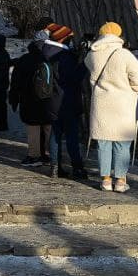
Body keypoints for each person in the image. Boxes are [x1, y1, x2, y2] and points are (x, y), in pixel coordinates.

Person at [85, 22, 138, 192]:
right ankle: (120, 181)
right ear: (118, 35)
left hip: (101, 104)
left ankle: (105, 180)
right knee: (122, 144)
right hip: (123, 104)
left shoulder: (92, 55)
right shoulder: (124, 55)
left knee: (103, 143)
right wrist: (137, 89)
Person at [9, 30, 56, 165]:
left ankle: (33, 155)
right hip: (48, 99)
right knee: (48, 126)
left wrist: (14, 97)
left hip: (28, 99)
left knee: (33, 127)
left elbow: (16, 81)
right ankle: (47, 154)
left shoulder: (25, 59)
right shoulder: (51, 58)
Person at [46, 33, 89, 179]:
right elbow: (74, 78)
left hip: (52, 100)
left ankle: (55, 167)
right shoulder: (64, 56)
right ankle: (77, 167)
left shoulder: (47, 53)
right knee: (71, 136)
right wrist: (83, 64)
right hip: (67, 100)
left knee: (55, 135)